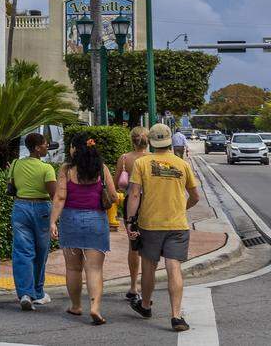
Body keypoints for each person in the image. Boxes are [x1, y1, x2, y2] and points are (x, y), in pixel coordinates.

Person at [127, 122, 201, 332]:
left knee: (148, 266)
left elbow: (134, 194)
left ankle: (145, 305)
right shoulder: (182, 164)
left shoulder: (141, 163)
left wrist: (130, 220)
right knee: (173, 267)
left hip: (150, 224)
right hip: (177, 224)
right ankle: (176, 316)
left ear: (151, 141)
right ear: (169, 141)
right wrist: (181, 208)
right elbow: (195, 196)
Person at [50, 136, 116, 325]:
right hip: (96, 220)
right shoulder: (101, 168)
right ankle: (95, 307)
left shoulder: (66, 169)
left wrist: (53, 222)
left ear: (74, 149)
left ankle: (76, 305)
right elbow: (113, 195)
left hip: (71, 220)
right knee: (94, 269)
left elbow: (60, 197)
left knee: (73, 268)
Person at [9, 132, 57, 312]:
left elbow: (13, 187)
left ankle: (25, 294)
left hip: (20, 207)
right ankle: (37, 292)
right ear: (37, 148)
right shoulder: (47, 168)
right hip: (41, 208)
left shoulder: (15, 164)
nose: (47, 147)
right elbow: (54, 194)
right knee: (40, 252)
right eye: (45, 144)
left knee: (22, 251)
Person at [115, 127, 151, 302]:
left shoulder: (124, 159)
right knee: (150, 245)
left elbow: (117, 183)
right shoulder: (152, 158)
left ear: (132, 140)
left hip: (131, 202)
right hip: (151, 202)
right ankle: (147, 285)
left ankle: (133, 286)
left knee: (133, 245)